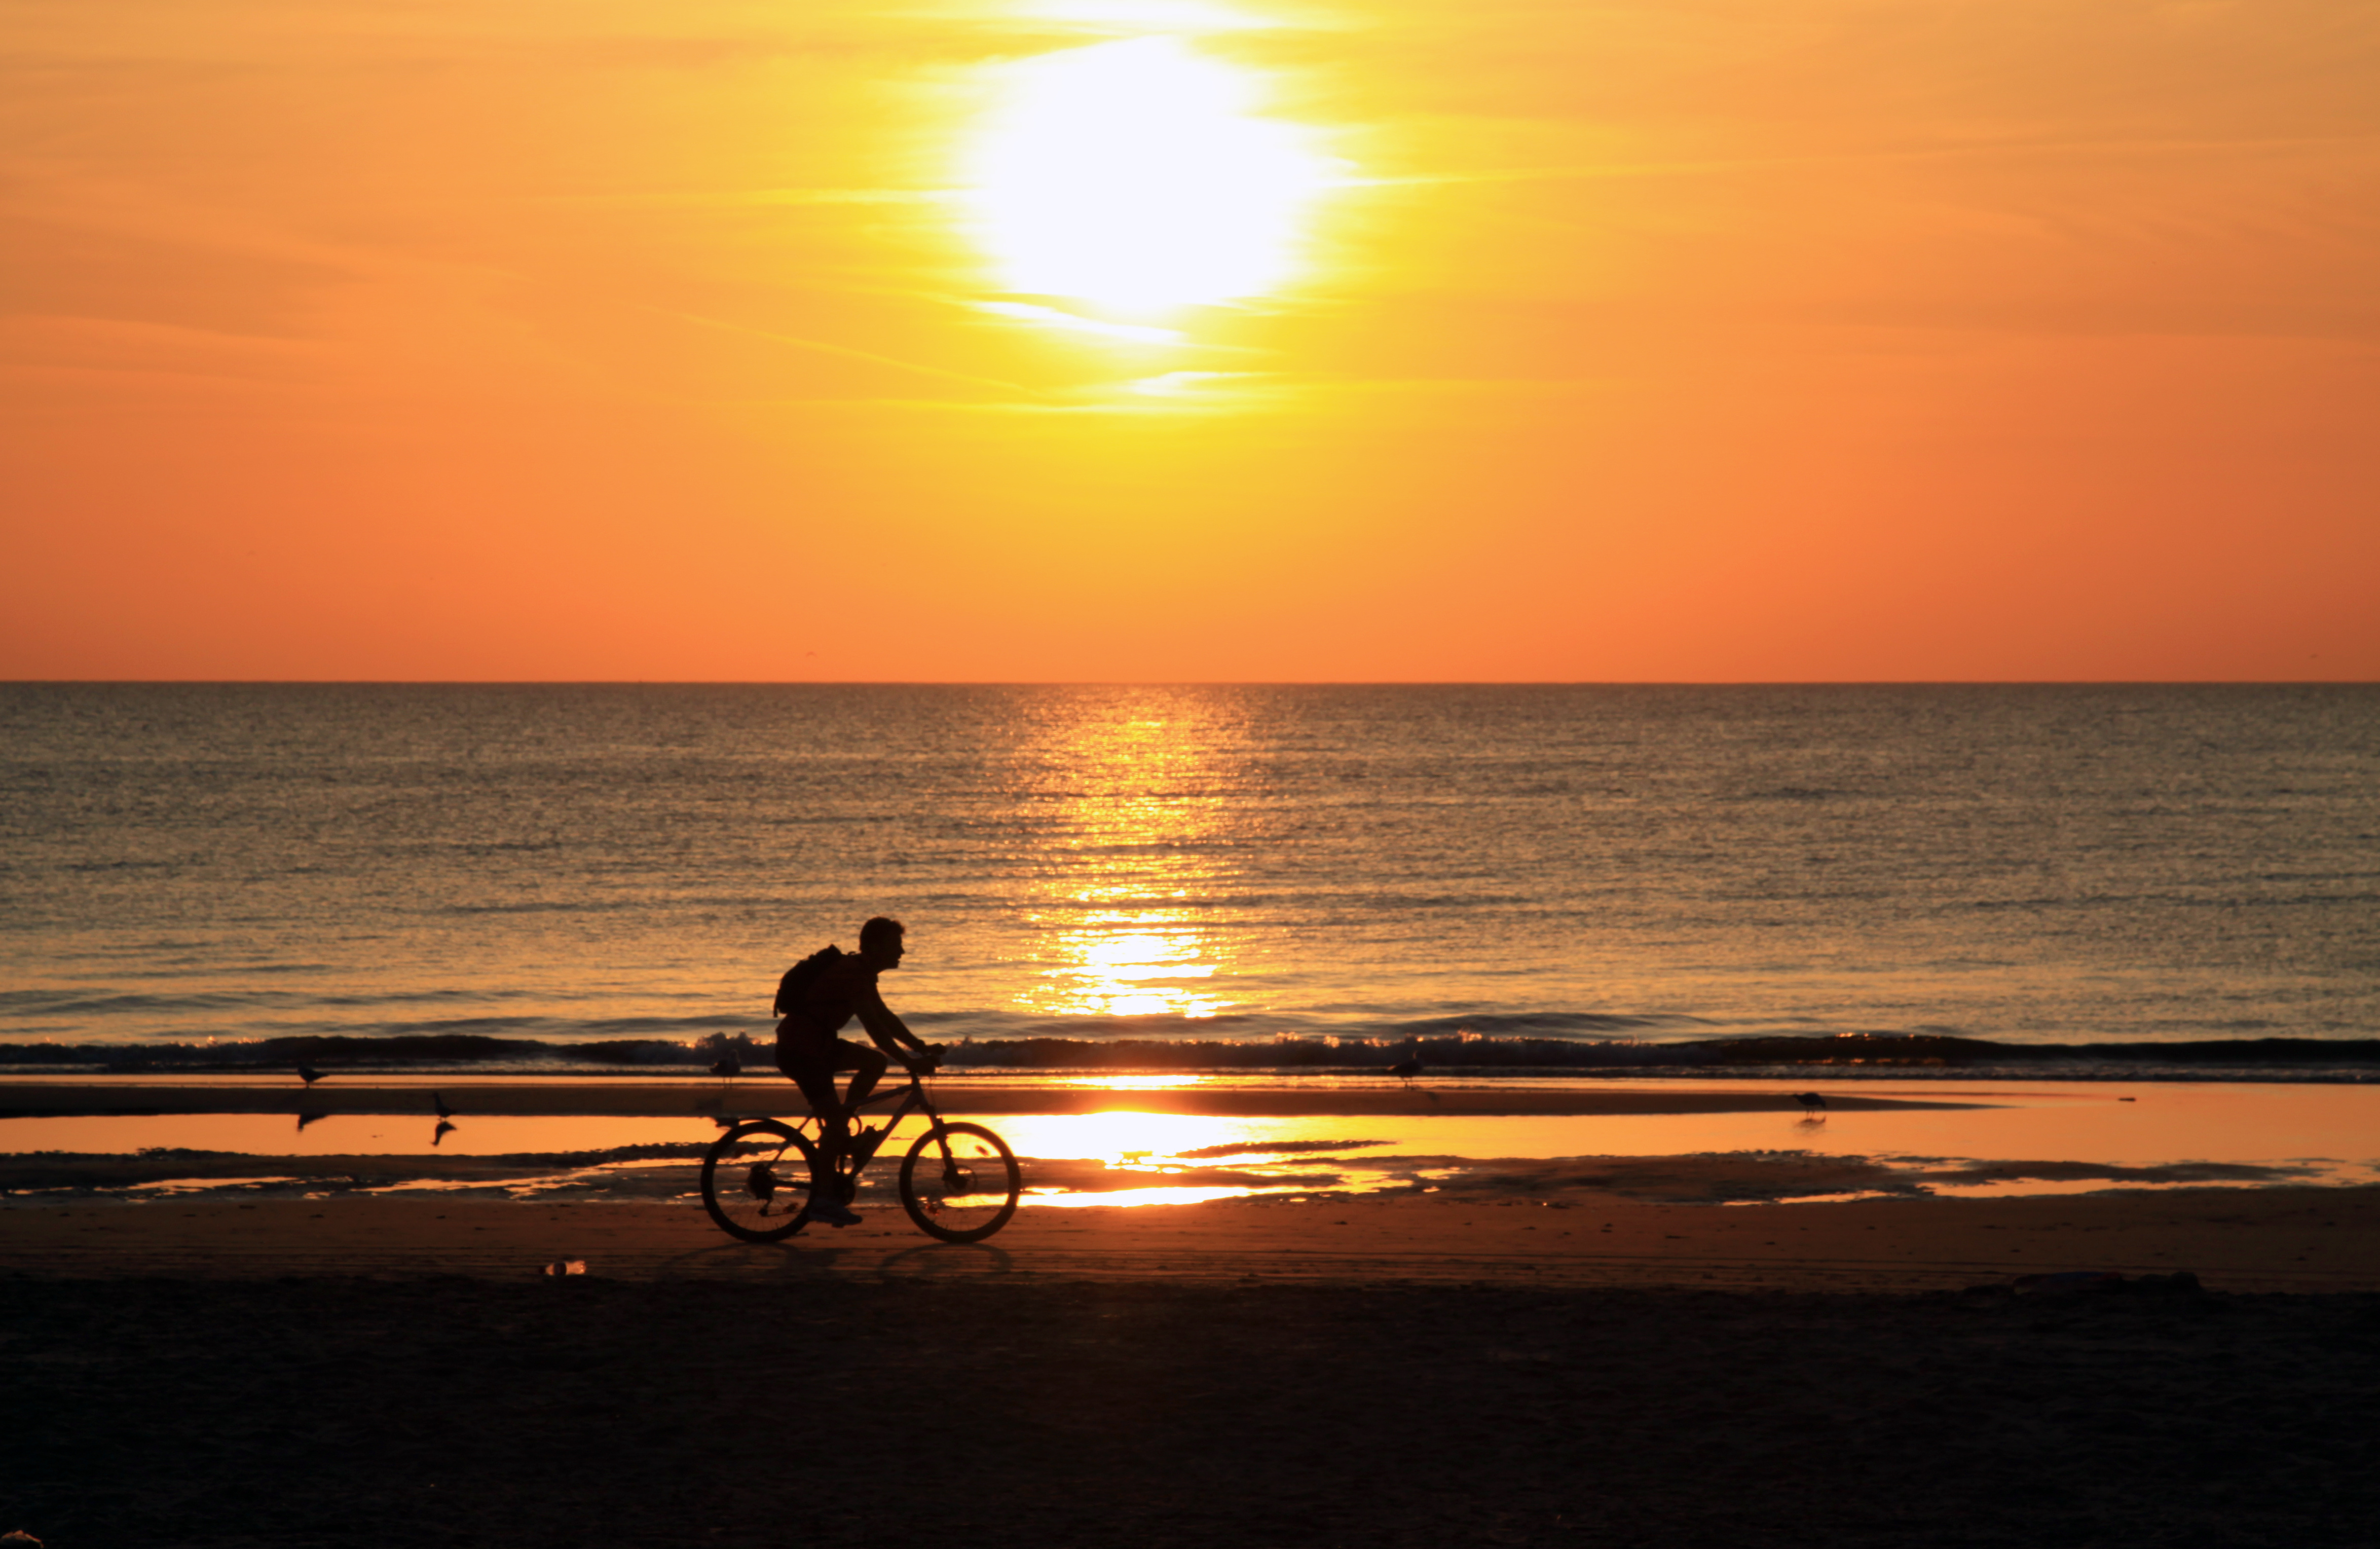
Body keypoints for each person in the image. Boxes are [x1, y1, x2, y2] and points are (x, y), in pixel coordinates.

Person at [774, 915, 940, 1226]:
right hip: (801, 1051)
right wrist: (911, 1062)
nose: (901, 952)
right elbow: (876, 1030)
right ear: (875, 947)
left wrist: (920, 1046)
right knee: (836, 1122)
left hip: (819, 1046)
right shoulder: (853, 974)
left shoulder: (862, 973)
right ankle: (823, 1200)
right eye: (895, 945)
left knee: (875, 1063)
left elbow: (885, 1017)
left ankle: (843, 1128)